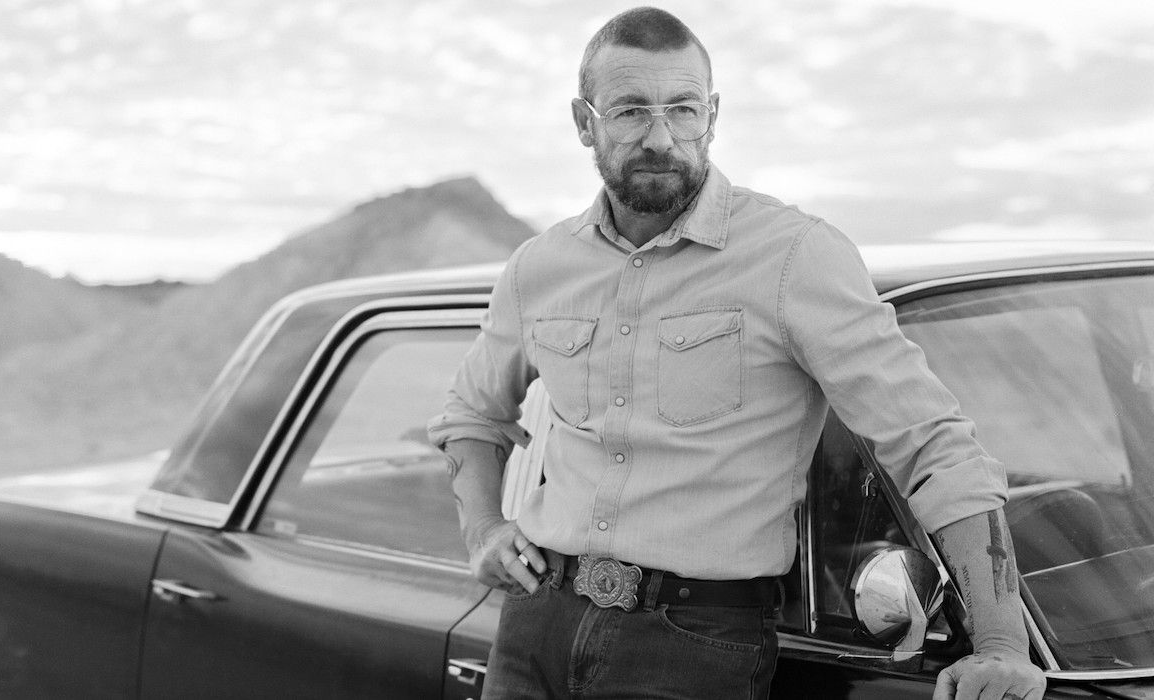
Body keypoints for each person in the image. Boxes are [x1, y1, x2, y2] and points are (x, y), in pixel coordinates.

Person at [426, 6, 1047, 700]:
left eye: (683, 109)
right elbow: (469, 417)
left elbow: (932, 445)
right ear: (584, 122)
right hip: (533, 627)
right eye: (630, 111)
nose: (661, 136)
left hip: (691, 645)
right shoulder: (539, 267)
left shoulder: (794, 257)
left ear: (712, 116)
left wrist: (999, 644)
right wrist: (483, 527)